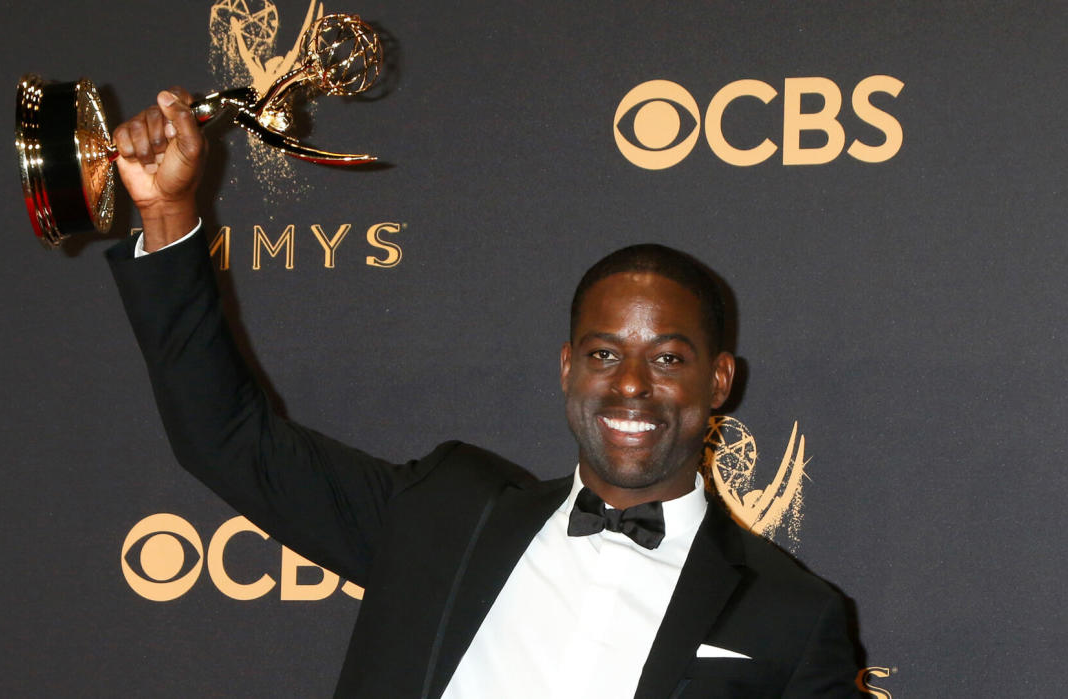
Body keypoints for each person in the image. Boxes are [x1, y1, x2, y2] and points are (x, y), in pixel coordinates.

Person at [106, 89, 860, 698]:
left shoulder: (791, 615)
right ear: (568, 367)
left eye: (667, 357)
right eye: (604, 353)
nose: (631, 385)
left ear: (719, 380)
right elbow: (228, 440)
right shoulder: (447, 513)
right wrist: (169, 215)